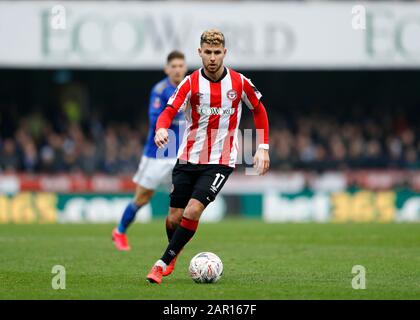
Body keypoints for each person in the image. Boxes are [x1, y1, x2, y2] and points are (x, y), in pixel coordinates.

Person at [146, 29, 270, 284]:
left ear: (224, 53)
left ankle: (162, 263)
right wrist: (161, 128)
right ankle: (175, 252)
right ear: (199, 53)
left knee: (192, 212)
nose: (212, 58)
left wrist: (263, 147)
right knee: (173, 217)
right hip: (188, 157)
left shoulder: (239, 83)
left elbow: (259, 110)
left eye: (217, 53)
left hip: (220, 161)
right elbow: (169, 110)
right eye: (208, 52)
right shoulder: (190, 83)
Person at [112, 51, 188, 252]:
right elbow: (156, 120)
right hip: (158, 153)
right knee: (142, 198)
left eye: (181, 65)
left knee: (183, 202)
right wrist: (178, 114)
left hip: (181, 154)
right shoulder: (160, 90)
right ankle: (119, 231)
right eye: (174, 65)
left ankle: (174, 246)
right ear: (167, 69)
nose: (178, 69)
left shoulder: (190, 88)